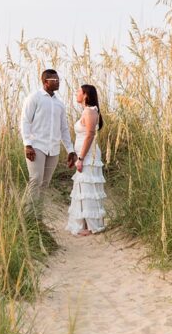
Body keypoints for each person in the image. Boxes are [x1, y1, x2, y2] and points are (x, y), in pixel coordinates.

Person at [20, 69, 77, 215]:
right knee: (36, 180)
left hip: (53, 149)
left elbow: (64, 128)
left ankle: (38, 219)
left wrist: (70, 150)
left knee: (45, 184)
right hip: (36, 146)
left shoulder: (59, 104)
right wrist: (27, 144)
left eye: (59, 80)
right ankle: (27, 217)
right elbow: (25, 121)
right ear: (45, 82)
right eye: (54, 80)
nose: (58, 83)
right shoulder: (34, 98)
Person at [66, 84, 107, 236]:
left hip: (88, 156)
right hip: (84, 155)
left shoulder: (90, 111)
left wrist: (81, 158)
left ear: (85, 95)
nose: (76, 93)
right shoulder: (86, 111)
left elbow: (89, 135)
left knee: (88, 188)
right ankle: (85, 223)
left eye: (78, 91)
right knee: (83, 188)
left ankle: (92, 226)